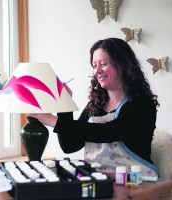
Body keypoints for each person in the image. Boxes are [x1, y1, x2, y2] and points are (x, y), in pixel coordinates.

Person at [29, 38, 159, 176]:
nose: (97, 71)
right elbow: (69, 145)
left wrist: (53, 120)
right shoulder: (96, 104)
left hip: (138, 181)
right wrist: (64, 106)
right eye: (94, 65)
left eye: (103, 64)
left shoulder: (142, 104)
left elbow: (107, 132)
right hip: (100, 179)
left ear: (123, 65)